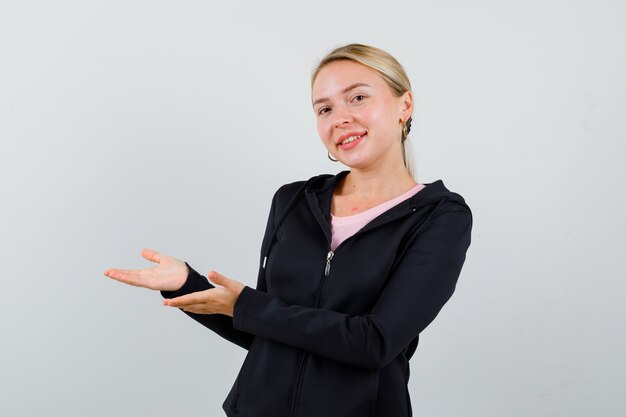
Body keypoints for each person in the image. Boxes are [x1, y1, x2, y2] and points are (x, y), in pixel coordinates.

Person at [105, 43, 473, 417]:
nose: (340, 118)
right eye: (325, 109)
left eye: (357, 98)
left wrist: (246, 305)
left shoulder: (440, 216)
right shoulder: (294, 200)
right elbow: (264, 328)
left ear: (404, 106)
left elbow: (374, 343)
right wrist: (186, 282)